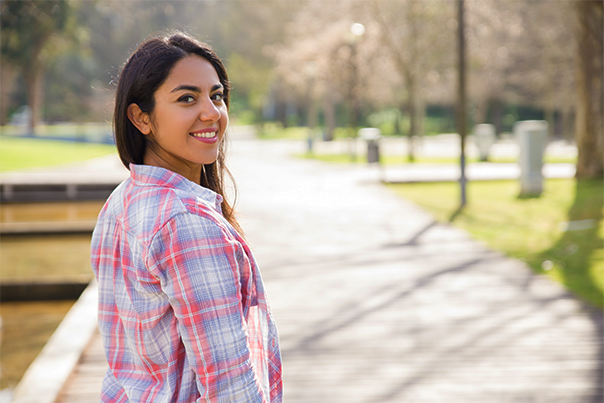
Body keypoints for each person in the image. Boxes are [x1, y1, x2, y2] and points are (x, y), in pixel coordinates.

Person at [90, 31, 283, 402]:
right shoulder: (186, 223)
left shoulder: (122, 201)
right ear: (140, 117)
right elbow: (229, 384)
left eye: (217, 96)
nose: (211, 112)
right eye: (187, 98)